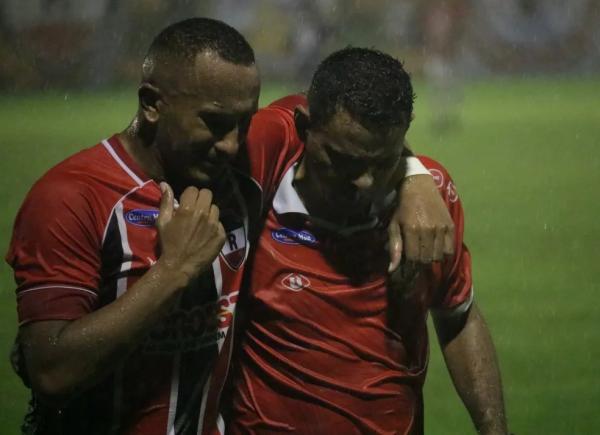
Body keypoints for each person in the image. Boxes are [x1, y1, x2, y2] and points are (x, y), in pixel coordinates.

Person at [6, 18, 455, 435]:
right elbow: (51, 371)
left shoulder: (248, 162)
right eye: (216, 123)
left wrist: (414, 175)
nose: (232, 143)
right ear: (151, 104)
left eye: (245, 122)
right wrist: (174, 270)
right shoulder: (73, 196)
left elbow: (344, 118)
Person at [227, 47, 508, 435]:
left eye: (382, 163)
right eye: (345, 161)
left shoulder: (432, 204)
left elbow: (457, 315)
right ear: (305, 127)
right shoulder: (262, 180)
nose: (365, 183)